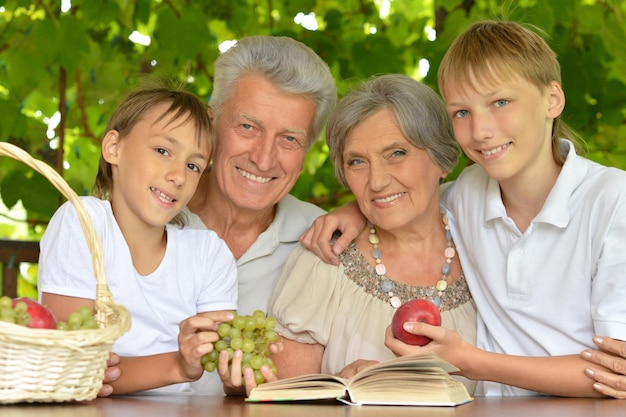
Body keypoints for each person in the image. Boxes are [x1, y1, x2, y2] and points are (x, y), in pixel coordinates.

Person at [302, 20, 626, 398]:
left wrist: (473, 361)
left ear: (552, 100)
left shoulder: (612, 201)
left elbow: (615, 374)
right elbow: (411, 195)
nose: (481, 130)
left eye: (500, 102)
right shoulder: (470, 193)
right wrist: (356, 210)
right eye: (461, 112)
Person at [253, 73, 475, 397]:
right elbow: (279, 403)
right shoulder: (324, 261)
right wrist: (339, 390)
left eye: (396, 153)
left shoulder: (485, 249)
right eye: (357, 162)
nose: (377, 182)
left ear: (442, 160)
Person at [37, 81, 238, 395]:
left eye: (193, 165)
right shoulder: (83, 222)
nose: (179, 175)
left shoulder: (209, 254)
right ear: (114, 148)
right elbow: (73, 367)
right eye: (162, 150)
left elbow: (223, 364)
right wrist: (177, 365)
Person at [179, 35, 338, 395]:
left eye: (289, 139)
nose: (263, 159)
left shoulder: (326, 244)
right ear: (211, 121)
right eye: (248, 127)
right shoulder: (149, 217)